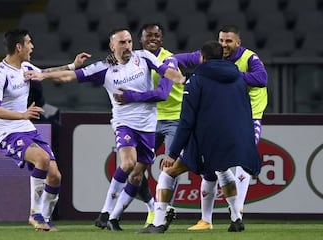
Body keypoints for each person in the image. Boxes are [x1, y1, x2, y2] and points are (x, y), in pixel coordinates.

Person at [24, 28, 185, 231]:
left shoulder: (144, 57)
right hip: (123, 123)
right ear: (112, 46)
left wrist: (179, 78)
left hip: (148, 126)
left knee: (137, 175)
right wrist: (43, 76)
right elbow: (69, 77)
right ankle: (105, 212)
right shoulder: (103, 68)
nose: (127, 46)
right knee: (127, 163)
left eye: (128, 42)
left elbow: (165, 71)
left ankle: (112, 218)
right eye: (122, 43)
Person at [137, 40, 262, 234]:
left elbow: (186, 121)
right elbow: (245, 110)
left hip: (206, 140)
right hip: (232, 138)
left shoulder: (196, 80)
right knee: (222, 170)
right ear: (222, 57)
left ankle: (158, 222)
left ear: (202, 58)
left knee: (168, 172)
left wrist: (172, 153)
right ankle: (236, 218)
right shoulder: (239, 78)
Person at [0, 28, 86, 231]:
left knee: (55, 176)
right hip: (7, 132)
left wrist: (72, 65)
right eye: (29, 43)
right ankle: (35, 213)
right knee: (42, 159)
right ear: (19, 47)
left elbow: (46, 73)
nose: (32, 46)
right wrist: (22, 114)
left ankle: (44, 220)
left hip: (26, 128)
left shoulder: (25, 67)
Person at [187, 25, 268, 230]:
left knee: (242, 160)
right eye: (221, 40)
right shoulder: (213, 57)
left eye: (229, 41)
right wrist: (169, 64)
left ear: (238, 43)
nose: (224, 45)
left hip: (248, 118)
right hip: (221, 117)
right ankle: (206, 220)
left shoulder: (249, 58)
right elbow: (182, 59)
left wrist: (231, 74)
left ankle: (237, 212)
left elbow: (262, 79)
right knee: (211, 167)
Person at [108, 23, 184, 227]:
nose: (153, 39)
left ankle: (163, 212)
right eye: (148, 35)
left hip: (172, 119)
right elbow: (111, 69)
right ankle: (140, 209)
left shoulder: (168, 60)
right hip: (146, 120)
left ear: (162, 39)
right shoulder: (132, 58)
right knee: (135, 171)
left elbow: (162, 93)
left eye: (157, 36)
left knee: (170, 166)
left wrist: (131, 97)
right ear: (140, 40)